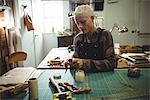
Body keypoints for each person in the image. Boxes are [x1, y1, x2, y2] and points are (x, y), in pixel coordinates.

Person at [65, 5, 117, 72]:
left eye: (83, 22)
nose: (80, 26)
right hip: (82, 78)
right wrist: (71, 61)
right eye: (77, 23)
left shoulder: (105, 35)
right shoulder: (78, 39)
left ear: (92, 18)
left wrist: (84, 63)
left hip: (102, 77)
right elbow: (76, 59)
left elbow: (111, 63)